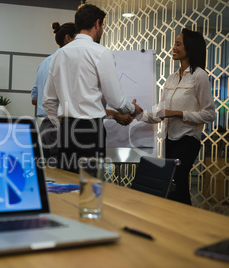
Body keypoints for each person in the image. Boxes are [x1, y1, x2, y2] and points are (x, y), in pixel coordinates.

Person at [43, 4, 143, 173]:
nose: (102, 30)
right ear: (97, 23)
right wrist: (133, 109)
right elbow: (116, 100)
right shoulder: (101, 53)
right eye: (103, 25)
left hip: (66, 131)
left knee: (67, 185)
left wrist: (61, 127)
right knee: (90, 188)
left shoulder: (59, 54)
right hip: (90, 131)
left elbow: (48, 101)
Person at [139, 28, 215, 205]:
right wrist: (138, 114)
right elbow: (160, 114)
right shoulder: (171, 79)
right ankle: (180, 223)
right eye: (174, 43)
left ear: (190, 48)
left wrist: (178, 114)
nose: (173, 47)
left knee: (176, 181)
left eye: (178, 44)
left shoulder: (199, 76)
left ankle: (185, 223)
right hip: (168, 140)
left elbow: (209, 114)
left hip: (187, 140)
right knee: (174, 186)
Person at [31, 21, 77, 161]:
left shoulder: (44, 63)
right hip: (60, 126)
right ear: (68, 38)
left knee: (51, 175)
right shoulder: (67, 62)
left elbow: (34, 99)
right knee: (64, 175)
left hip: (45, 126)